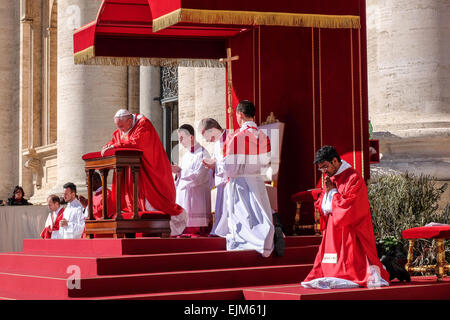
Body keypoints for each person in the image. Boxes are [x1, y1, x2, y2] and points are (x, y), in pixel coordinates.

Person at [301, 146, 390, 289]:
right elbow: (323, 202)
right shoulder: (330, 177)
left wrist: (333, 193)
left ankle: (350, 274)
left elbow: (350, 207)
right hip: (332, 228)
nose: (324, 171)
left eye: (325, 167)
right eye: (321, 169)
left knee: (350, 266)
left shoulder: (353, 178)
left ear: (335, 161)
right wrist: (326, 196)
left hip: (349, 229)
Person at [101, 109, 183, 234]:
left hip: (148, 167)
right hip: (132, 170)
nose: (121, 130)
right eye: (118, 127)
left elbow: (137, 142)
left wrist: (116, 145)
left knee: (152, 202)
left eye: (122, 127)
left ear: (129, 120)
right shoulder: (123, 127)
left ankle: (159, 227)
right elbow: (116, 139)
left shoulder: (143, 124)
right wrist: (108, 145)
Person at [217, 100, 274, 257]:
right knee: (259, 215)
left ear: (240, 115)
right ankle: (264, 240)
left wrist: (218, 165)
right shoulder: (264, 137)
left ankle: (246, 242)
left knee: (243, 216)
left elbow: (230, 168)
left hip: (241, 182)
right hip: (257, 181)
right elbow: (266, 163)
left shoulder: (236, 137)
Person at [172, 124, 212, 237]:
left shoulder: (203, 153)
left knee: (195, 232)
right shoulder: (185, 156)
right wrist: (177, 173)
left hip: (197, 197)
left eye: (181, 138)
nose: (180, 141)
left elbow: (200, 176)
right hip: (185, 196)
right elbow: (183, 175)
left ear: (191, 137)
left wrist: (180, 171)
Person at [199, 118, 229, 236]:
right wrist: (211, 164)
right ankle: (219, 230)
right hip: (221, 180)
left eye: (207, 136)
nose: (207, 140)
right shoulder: (217, 141)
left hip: (230, 181)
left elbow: (231, 162)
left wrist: (215, 164)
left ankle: (224, 231)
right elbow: (218, 159)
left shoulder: (230, 138)